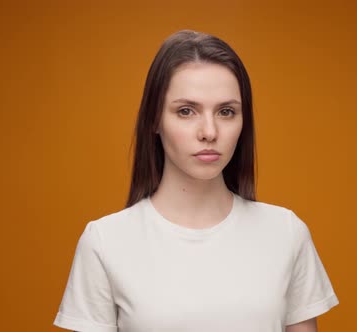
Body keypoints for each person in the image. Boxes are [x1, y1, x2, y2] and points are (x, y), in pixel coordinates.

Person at [53, 30, 339, 332]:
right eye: (186, 111)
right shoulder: (105, 243)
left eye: (226, 111)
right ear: (154, 119)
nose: (209, 131)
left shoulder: (285, 233)